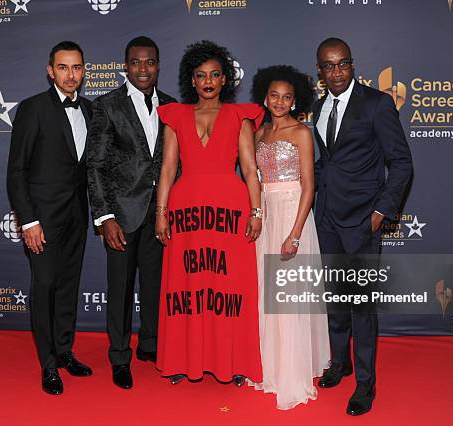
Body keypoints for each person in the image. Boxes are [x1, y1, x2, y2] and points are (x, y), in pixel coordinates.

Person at [312, 38, 413, 415]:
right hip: (326, 219)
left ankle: (365, 384)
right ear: (319, 71)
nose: (336, 72)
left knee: (361, 305)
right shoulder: (319, 107)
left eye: (342, 65)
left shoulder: (376, 103)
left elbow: (401, 162)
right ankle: (341, 362)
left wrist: (380, 212)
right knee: (336, 299)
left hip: (362, 220)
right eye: (328, 66)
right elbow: (327, 165)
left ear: (352, 66)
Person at [154, 40, 263, 386]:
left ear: (225, 79)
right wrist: (161, 212)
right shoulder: (176, 117)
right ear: (191, 80)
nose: (208, 81)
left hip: (229, 210)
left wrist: (256, 211)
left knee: (227, 290)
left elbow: (249, 168)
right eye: (201, 75)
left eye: (215, 74)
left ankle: (231, 362)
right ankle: (184, 360)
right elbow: (168, 169)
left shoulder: (239, 116)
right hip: (186, 211)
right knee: (188, 289)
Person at [86, 36, 176, 390]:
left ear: (158, 65)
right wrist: (105, 217)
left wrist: (169, 211)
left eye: (150, 62)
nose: (143, 69)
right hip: (121, 216)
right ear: (126, 66)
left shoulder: (170, 106)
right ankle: (119, 356)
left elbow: (173, 164)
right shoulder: (107, 105)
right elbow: (95, 165)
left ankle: (150, 345)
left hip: (159, 215)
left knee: (155, 286)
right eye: (136, 62)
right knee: (120, 289)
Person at [7, 41, 93, 395]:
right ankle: (47, 365)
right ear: (50, 70)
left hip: (77, 217)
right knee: (44, 289)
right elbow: (16, 171)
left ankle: (64, 351)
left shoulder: (90, 109)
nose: (70, 75)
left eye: (76, 68)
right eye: (63, 67)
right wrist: (28, 221)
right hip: (42, 220)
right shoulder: (33, 109)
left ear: (84, 71)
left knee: (68, 288)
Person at [249, 65, 330, 409]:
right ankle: (272, 368)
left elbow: (309, 186)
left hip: (293, 213)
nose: (280, 102)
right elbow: (254, 179)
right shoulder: (259, 132)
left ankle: (293, 374)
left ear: (296, 100)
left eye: (287, 97)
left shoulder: (301, 133)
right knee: (268, 296)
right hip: (266, 214)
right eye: (274, 96)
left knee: (290, 296)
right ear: (264, 98)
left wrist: (295, 234)